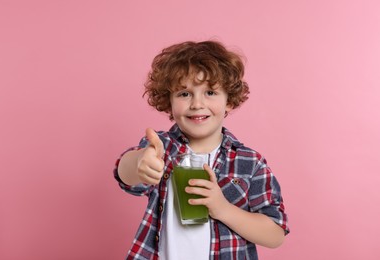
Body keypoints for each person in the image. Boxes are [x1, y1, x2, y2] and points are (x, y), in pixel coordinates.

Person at [114, 40, 289, 259]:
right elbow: (125, 175)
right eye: (184, 94)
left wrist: (222, 208)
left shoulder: (250, 162)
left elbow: (275, 234)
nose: (197, 103)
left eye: (210, 92)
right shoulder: (161, 148)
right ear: (168, 101)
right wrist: (140, 163)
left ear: (230, 101)